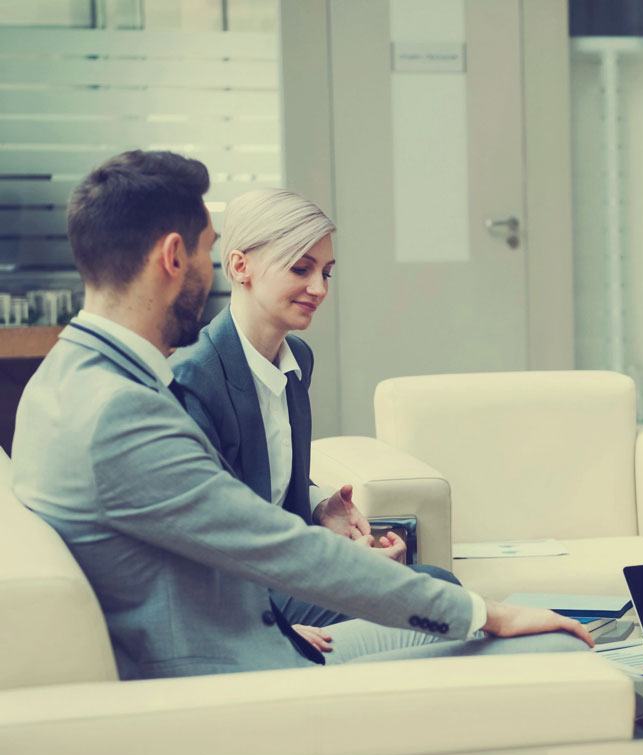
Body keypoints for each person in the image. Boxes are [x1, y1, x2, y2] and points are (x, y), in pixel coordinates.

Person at [10, 150, 591, 679]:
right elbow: (276, 547)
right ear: (173, 257)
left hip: (238, 634)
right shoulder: (123, 414)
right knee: (554, 649)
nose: (210, 272)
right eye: (209, 253)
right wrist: (488, 614)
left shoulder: (60, 383)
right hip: (239, 672)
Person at [170, 189, 452, 661]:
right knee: (439, 593)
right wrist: (274, 625)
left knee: (433, 587)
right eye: (301, 269)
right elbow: (205, 539)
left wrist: (320, 506)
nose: (319, 288)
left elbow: (267, 476)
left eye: (326, 272)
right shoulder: (195, 379)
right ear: (240, 267)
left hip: (287, 570)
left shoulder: (297, 358)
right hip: (249, 591)